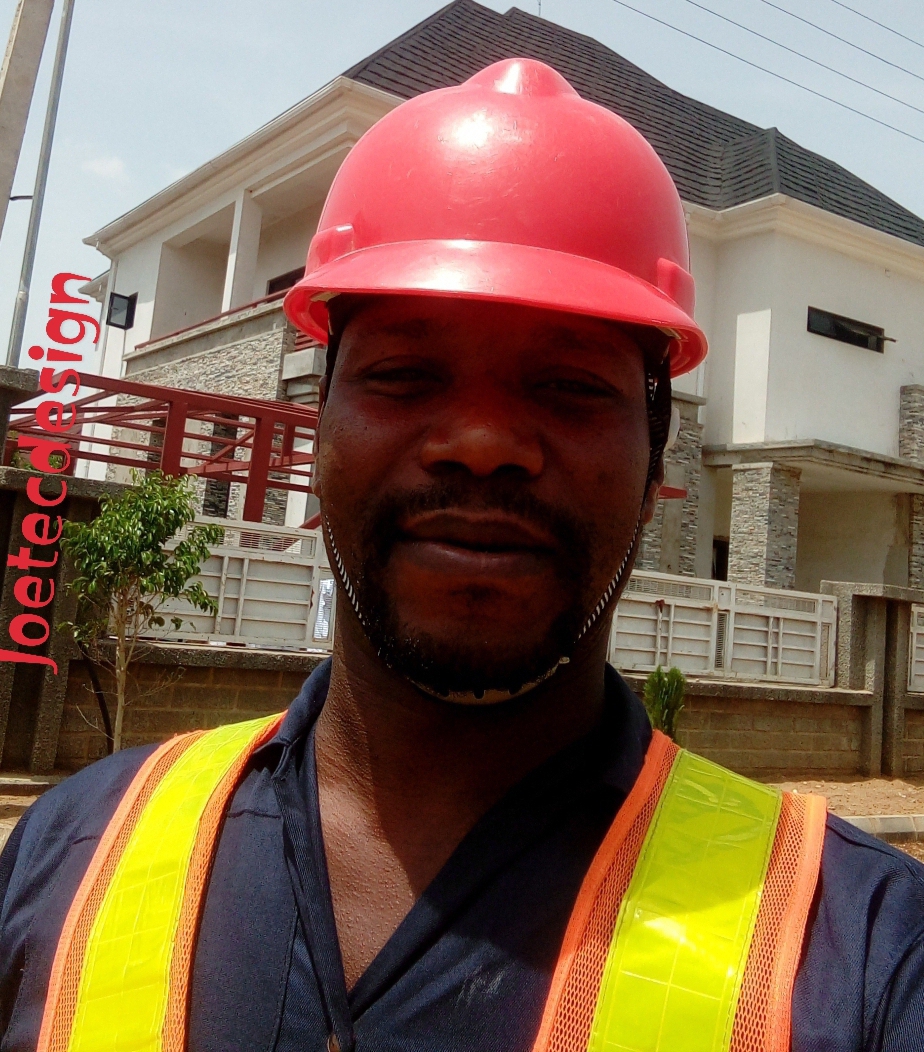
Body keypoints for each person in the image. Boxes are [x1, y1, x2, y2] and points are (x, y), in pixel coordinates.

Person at [2, 57, 924, 1052]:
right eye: (406, 373)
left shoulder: (856, 951)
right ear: (320, 422)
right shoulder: (73, 857)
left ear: (657, 451)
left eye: (569, 386)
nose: (481, 441)